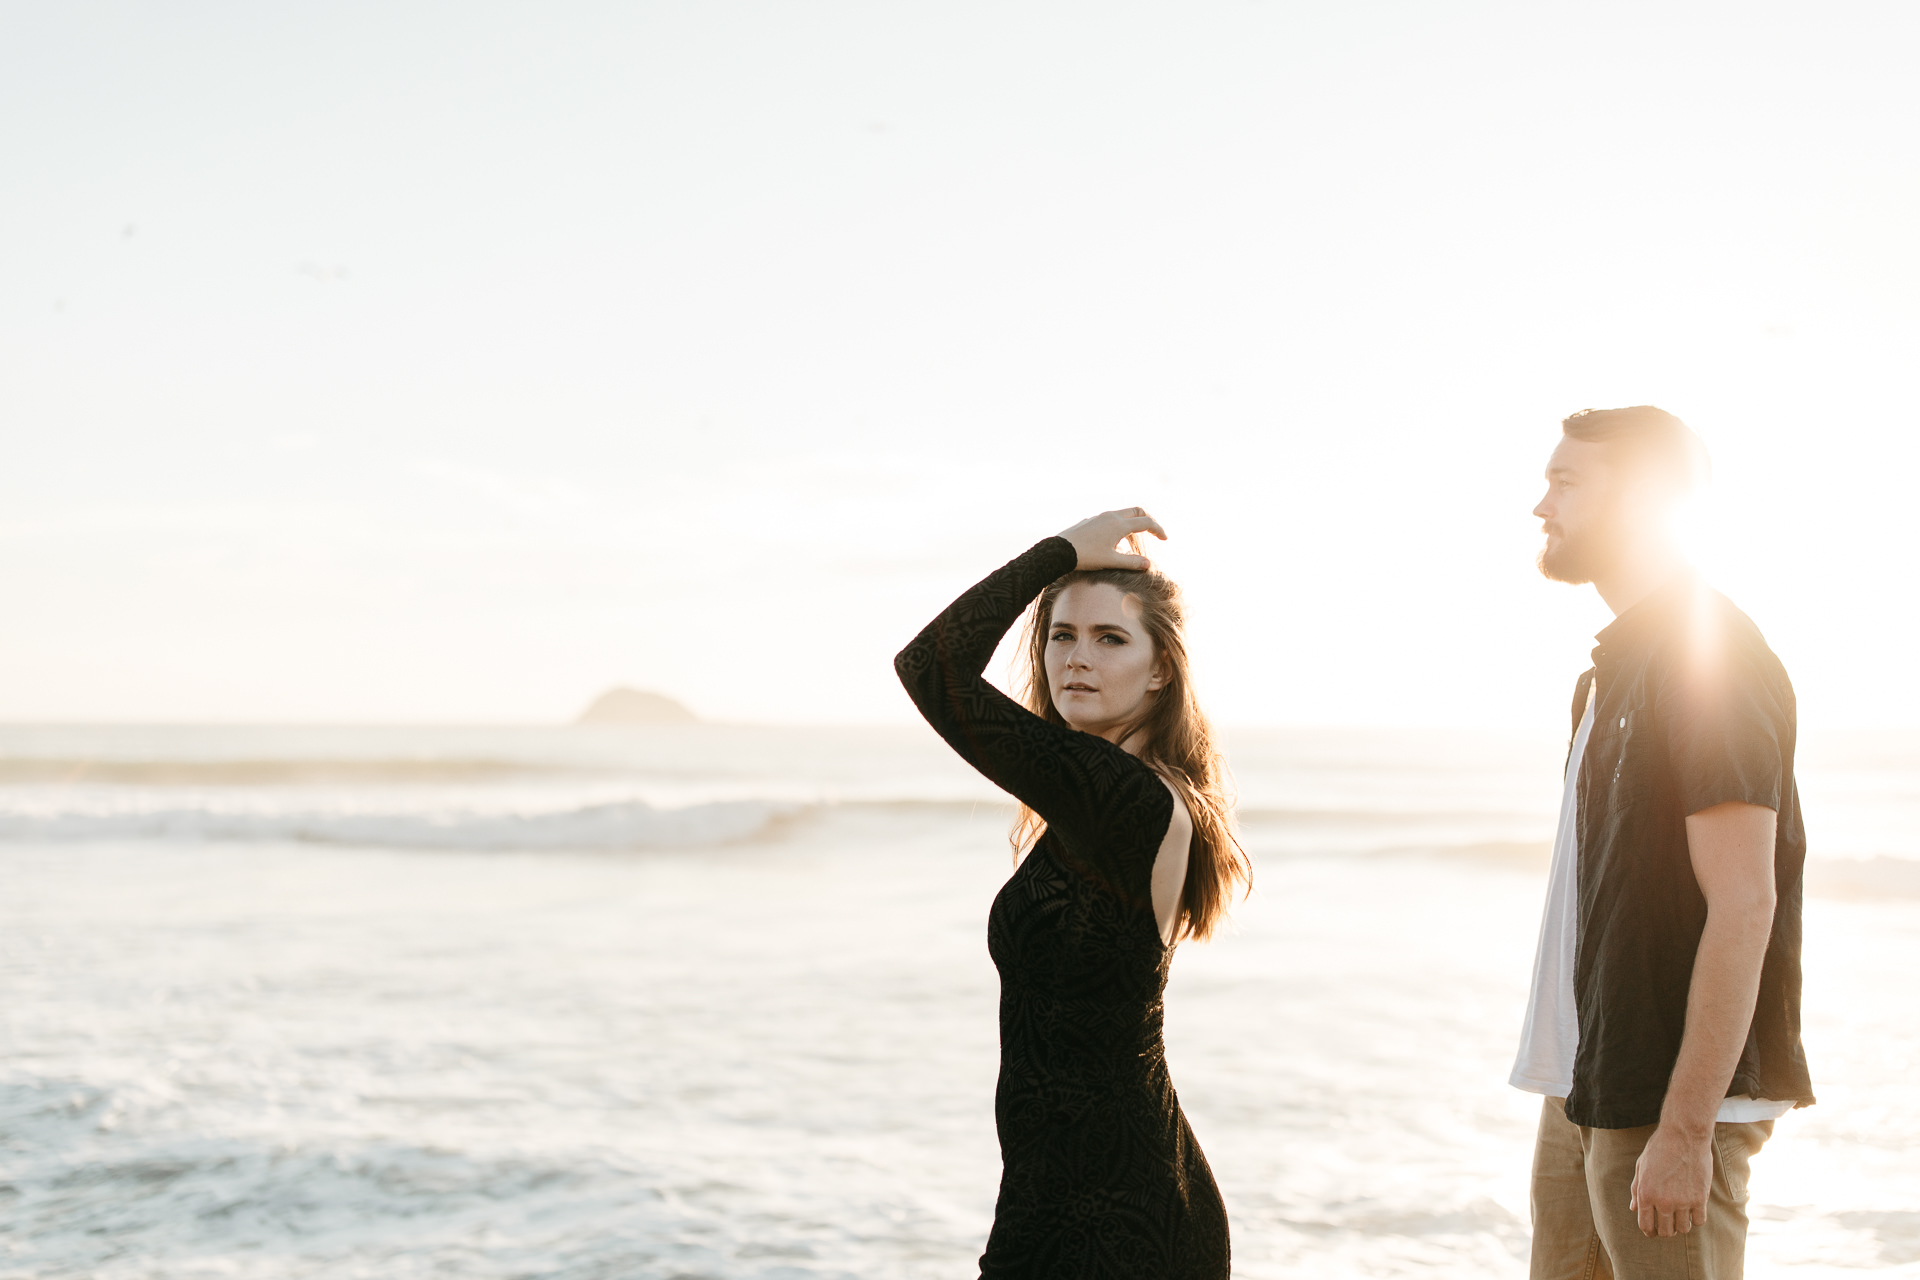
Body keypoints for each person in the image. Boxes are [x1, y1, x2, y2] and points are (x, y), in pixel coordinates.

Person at [894, 507, 1250, 1280]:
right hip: (1062, 1204)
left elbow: (930, 668)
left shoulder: (1126, 798)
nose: (1076, 659)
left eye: (1110, 638)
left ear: (1161, 669)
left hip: (1116, 1222)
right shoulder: (1116, 797)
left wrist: (1054, 554)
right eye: (1061, 635)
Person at [1514, 407, 1817, 1279]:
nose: (1542, 505)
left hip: (1671, 1099)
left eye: (1566, 482)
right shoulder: (1606, 676)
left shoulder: (1707, 653)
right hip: (1588, 1079)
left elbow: (1743, 903)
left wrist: (1686, 1128)